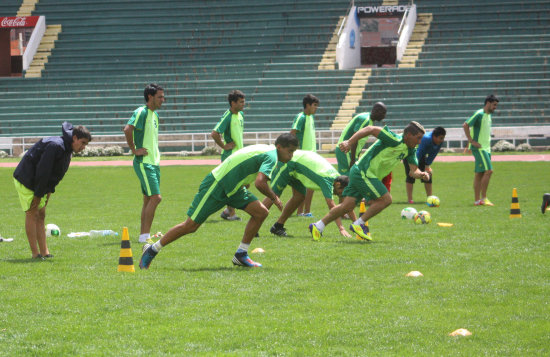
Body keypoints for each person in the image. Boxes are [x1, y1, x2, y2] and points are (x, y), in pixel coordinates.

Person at [139, 134, 299, 270]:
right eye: (289, 151)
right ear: (279, 146)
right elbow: (260, 182)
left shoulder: (268, 150)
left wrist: (242, 179)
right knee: (190, 226)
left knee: (261, 212)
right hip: (218, 184)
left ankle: (241, 254)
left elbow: (244, 162)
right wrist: (274, 197)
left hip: (234, 187)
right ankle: (152, 249)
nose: (291, 156)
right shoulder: (271, 156)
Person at [309, 122, 429, 241]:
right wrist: (349, 142)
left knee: (347, 206)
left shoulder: (411, 150)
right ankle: (359, 224)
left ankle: (318, 226)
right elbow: (370, 128)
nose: (419, 142)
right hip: (364, 172)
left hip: (362, 173)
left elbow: (413, 171)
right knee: (386, 199)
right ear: (408, 135)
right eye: (418, 138)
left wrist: (421, 174)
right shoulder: (393, 139)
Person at [13, 122, 91, 259]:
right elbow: (43, 172)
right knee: (32, 212)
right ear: (75, 138)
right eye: (83, 143)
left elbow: (55, 175)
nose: (84, 147)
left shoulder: (67, 149)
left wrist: (48, 193)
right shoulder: (56, 146)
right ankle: (35, 254)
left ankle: (45, 252)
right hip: (26, 178)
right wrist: (38, 196)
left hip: (38, 182)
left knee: (41, 214)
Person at [262, 150, 352, 238]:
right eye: (341, 192)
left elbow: (346, 203)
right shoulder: (327, 179)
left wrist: (357, 223)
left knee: (299, 196)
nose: (340, 195)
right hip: (288, 163)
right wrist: (341, 228)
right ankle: (255, 224)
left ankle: (278, 226)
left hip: (296, 167)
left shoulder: (338, 178)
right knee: (273, 195)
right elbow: (332, 206)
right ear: (338, 184)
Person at [123, 83, 165, 244]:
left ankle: (143, 236)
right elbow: (128, 129)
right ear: (150, 97)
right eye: (160, 97)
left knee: (148, 199)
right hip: (144, 162)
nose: (163, 99)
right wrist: (134, 150)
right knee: (156, 197)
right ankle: (144, 236)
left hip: (154, 163)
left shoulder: (155, 115)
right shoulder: (141, 112)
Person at [211, 90, 246, 221]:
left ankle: (227, 211)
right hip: (230, 156)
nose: (244, 104)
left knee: (244, 183)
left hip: (239, 155)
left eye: (244, 101)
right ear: (233, 103)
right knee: (232, 185)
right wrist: (224, 146)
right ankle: (231, 214)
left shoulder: (241, 114)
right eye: (241, 102)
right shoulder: (228, 116)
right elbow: (214, 133)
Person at [463, 94, 499, 206]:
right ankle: (484, 198)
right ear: (488, 103)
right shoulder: (479, 114)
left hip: (486, 148)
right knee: (489, 171)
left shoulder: (489, 115)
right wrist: (471, 141)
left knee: (479, 173)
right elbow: (465, 124)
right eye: (494, 105)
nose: (495, 107)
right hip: (480, 148)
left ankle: (477, 200)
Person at [290, 94, 320, 217]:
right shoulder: (301, 117)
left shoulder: (310, 117)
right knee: (302, 185)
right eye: (314, 105)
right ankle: (302, 211)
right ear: (307, 105)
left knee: (309, 184)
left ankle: (304, 211)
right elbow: (292, 133)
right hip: (302, 156)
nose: (316, 108)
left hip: (311, 156)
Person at [403, 126, 446, 203]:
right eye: (440, 138)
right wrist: (414, 168)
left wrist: (427, 166)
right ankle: (410, 200)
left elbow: (433, 154)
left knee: (428, 175)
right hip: (410, 155)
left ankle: (430, 199)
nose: (442, 140)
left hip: (421, 156)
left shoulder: (440, 141)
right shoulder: (426, 139)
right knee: (411, 176)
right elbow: (418, 153)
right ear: (434, 136)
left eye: (443, 138)